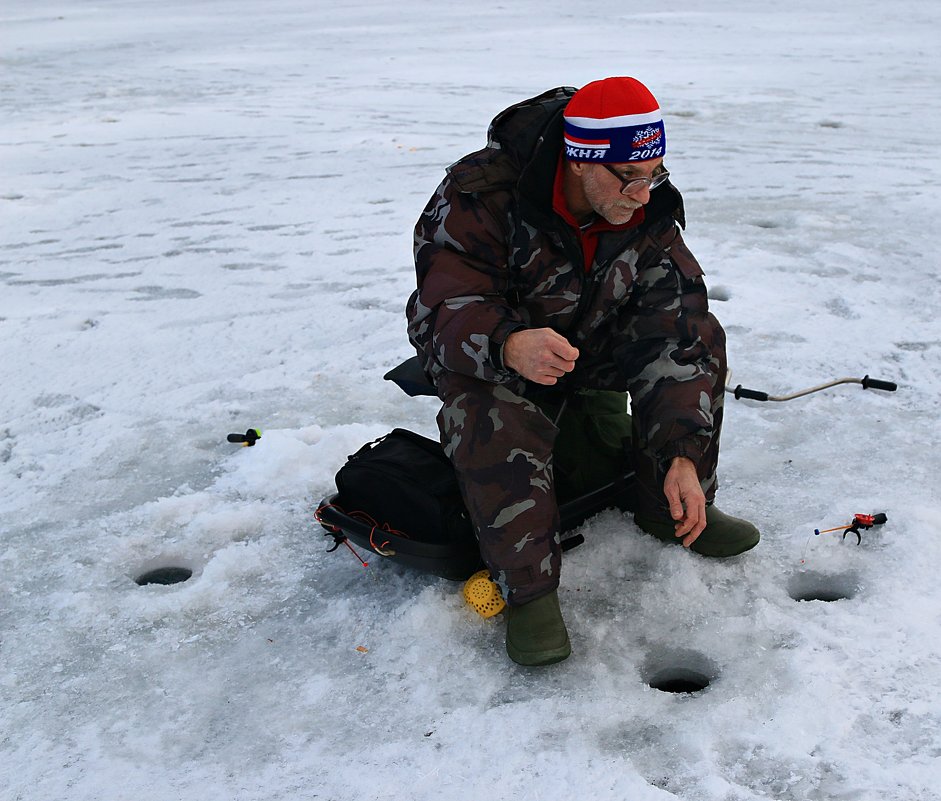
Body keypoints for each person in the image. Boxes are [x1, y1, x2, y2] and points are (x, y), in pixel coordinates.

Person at [406, 77, 759, 667]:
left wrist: (681, 452)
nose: (645, 195)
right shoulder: (481, 197)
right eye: (631, 178)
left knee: (695, 339)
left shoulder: (642, 209)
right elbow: (447, 304)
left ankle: (667, 506)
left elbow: (675, 325)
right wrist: (508, 343)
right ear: (580, 160)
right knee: (490, 406)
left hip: (585, 341)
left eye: (656, 174)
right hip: (491, 349)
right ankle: (529, 590)